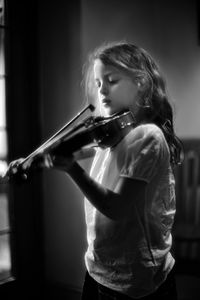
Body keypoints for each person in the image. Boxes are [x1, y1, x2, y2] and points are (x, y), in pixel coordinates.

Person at [6, 41, 183, 299]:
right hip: (98, 268)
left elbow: (116, 207)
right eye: (99, 84)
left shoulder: (147, 137)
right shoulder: (111, 133)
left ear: (141, 83)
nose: (102, 91)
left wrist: (73, 170)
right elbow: (73, 152)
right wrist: (31, 161)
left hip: (135, 279)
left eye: (111, 80)